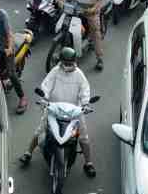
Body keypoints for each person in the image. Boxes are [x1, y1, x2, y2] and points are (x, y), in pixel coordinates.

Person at [19, 47, 97, 176]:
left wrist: (85, 104)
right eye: (65, 63)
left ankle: (88, 163)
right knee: (40, 130)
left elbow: (85, 90)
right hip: (54, 109)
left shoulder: (79, 74)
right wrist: (44, 98)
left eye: (70, 63)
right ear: (61, 61)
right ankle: (28, 153)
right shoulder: (55, 72)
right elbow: (46, 86)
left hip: (74, 111)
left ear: (74, 61)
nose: (67, 66)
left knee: (83, 136)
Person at [60, 0, 107, 68]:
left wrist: (93, 9)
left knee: (95, 32)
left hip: (91, 10)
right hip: (77, 8)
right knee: (65, 23)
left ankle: (99, 58)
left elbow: (99, 0)